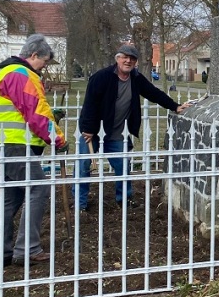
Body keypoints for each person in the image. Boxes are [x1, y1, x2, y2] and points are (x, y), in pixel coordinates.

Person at [0, 34, 66, 266]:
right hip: (14, 145)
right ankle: (27, 249)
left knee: (11, 196)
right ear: (33, 55)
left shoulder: (9, 73)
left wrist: (52, 117)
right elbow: (35, 112)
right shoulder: (21, 74)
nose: (45, 67)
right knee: (38, 188)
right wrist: (58, 139)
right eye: (45, 61)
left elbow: (24, 109)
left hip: (1, 143)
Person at [74, 44, 188, 210]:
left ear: (135, 62)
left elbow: (154, 93)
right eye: (125, 57)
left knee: (123, 166)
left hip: (118, 133)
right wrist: (88, 129)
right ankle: (80, 204)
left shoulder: (136, 78)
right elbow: (89, 104)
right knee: (83, 165)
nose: (128, 61)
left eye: (132, 59)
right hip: (93, 132)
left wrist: (175, 106)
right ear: (117, 58)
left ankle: (124, 200)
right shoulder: (101, 77)